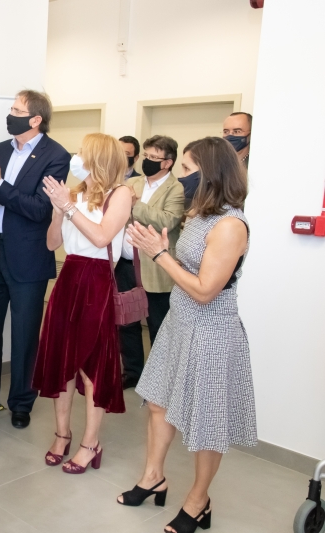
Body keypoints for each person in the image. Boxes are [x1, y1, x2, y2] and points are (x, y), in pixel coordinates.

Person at [118, 136, 256, 533]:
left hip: (211, 331)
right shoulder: (200, 215)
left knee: (206, 423)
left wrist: (160, 255)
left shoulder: (231, 225)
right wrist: (163, 249)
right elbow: (190, 266)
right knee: (158, 402)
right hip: (179, 322)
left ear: (210, 174)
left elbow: (205, 290)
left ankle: (199, 501)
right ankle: (153, 477)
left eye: (188, 169)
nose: (181, 176)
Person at [0, 89, 71, 429]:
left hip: (29, 256)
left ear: (36, 119)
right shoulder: (1, 149)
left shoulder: (56, 156)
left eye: (17, 110)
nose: (10, 115)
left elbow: (39, 209)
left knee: (24, 335)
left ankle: (21, 403)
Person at [32, 133, 131, 473]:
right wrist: (59, 210)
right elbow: (51, 244)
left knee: (92, 367)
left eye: (82, 152)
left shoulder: (120, 193)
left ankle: (91, 443)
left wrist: (69, 207)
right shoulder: (72, 194)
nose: (76, 158)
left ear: (98, 158)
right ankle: (62, 434)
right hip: (69, 278)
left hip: (96, 281)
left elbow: (102, 237)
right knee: (62, 361)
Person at [118, 136, 185, 390]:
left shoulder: (175, 188)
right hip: (125, 263)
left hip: (156, 269)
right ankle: (133, 372)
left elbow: (168, 221)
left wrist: (136, 205)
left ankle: (158, 381)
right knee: (127, 321)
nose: (147, 161)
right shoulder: (132, 182)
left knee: (158, 325)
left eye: (154, 158)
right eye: (146, 156)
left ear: (167, 163)